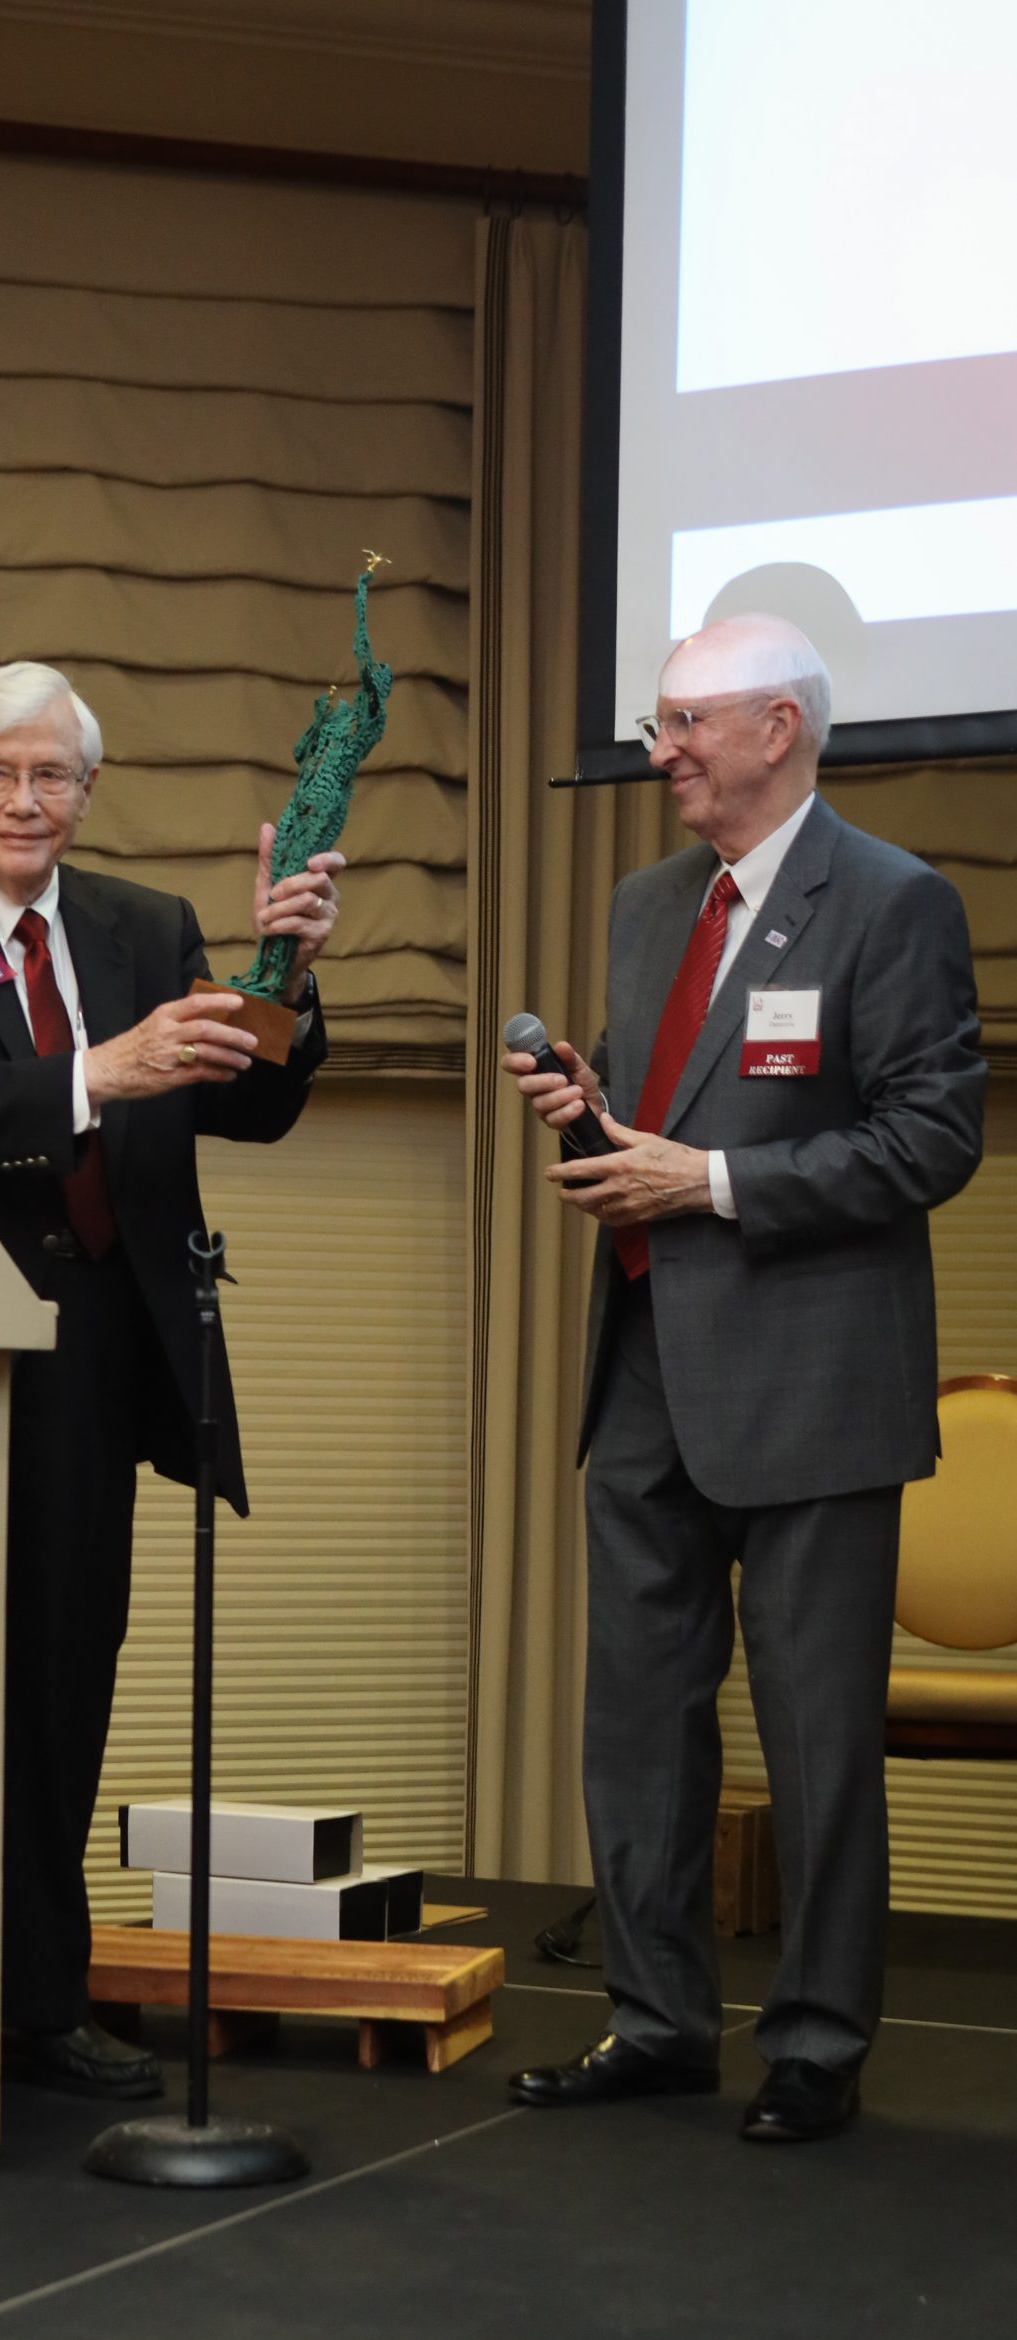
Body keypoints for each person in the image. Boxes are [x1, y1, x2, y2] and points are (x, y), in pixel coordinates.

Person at [0, 662, 338, 2098]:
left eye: (54, 778)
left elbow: (258, 1101)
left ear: (88, 793)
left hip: (102, 1349)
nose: (26, 801)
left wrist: (283, 968)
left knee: (64, 1672)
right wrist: (103, 1070)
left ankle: (37, 2000)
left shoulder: (142, 925)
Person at [501, 614, 983, 2143]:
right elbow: (669, 1112)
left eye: (685, 724)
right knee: (636, 1719)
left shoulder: (895, 902)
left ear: (780, 726)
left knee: (817, 1732)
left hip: (813, 1383)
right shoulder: (651, 905)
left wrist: (704, 1181)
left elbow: (930, 1139)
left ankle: (818, 2045)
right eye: (656, 725)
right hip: (644, 1356)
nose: (661, 753)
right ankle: (655, 2022)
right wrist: (588, 1112)